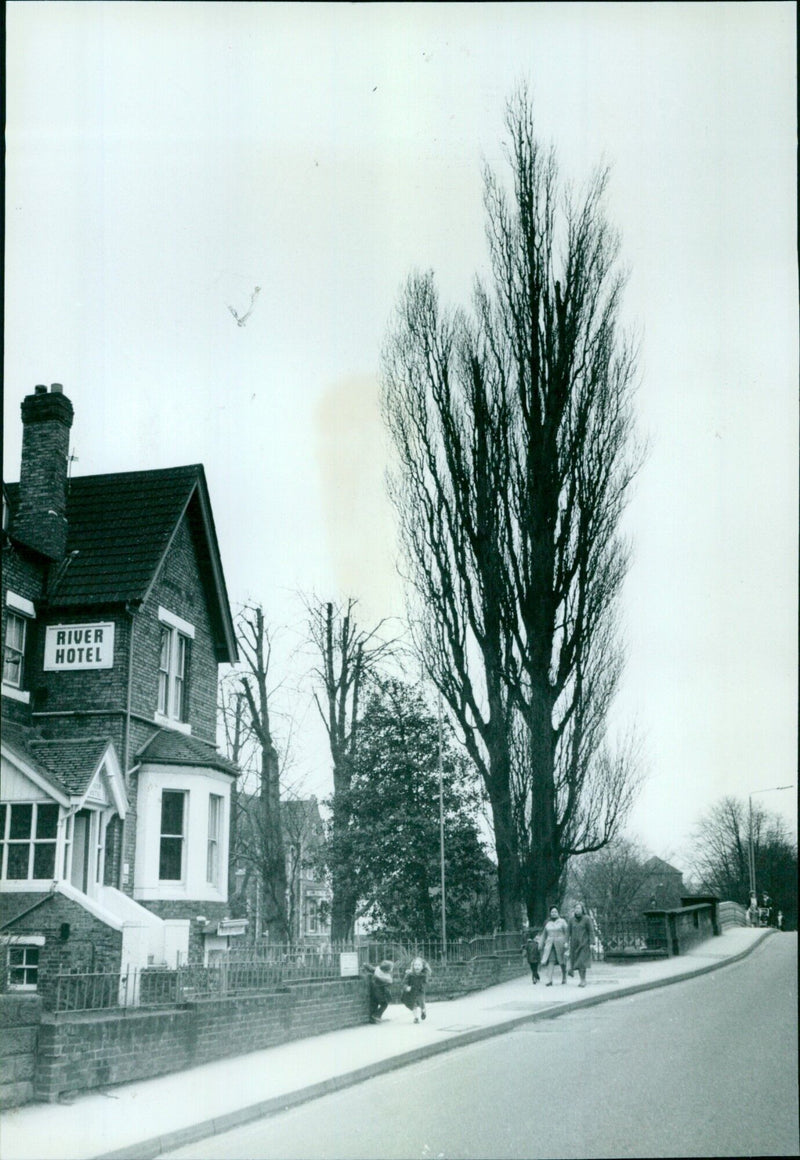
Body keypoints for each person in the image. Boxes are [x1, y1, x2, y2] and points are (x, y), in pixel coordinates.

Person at [540, 906, 569, 985]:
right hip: (550, 944)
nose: (554, 913)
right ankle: (549, 980)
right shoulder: (547, 923)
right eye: (552, 912)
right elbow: (544, 934)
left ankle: (564, 977)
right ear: (550, 913)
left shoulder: (562, 921)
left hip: (560, 943)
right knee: (551, 961)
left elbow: (567, 932)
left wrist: (567, 942)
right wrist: (541, 944)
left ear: (558, 913)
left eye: (555, 912)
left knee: (562, 961)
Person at [568, 903, 594, 988]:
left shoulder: (587, 919)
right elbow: (568, 932)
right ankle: (581, 978)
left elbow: (591, 931)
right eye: (575, 908)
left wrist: (591, 943)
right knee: (577, 962)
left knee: (582, 962)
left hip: (584, 943)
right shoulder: (571, 920)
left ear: (582, 909)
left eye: (579, 908)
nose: (577, 910)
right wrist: (566, 941)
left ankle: (583, 980)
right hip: (574, 944)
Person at [401, 956, 431, 1023]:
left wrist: (423, 986)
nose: (417, 967)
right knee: (413, 1004)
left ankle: (423, 1011)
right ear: (413, 966)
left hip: (420, 991)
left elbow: (426, 983)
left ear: (422, 966)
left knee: (421, 1004)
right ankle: (416, 1018)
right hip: (411, 991)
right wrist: (406, 987)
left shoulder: (424, 975)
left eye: (419, 965)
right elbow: (404, 983)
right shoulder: (409, 974)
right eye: (415, 965)